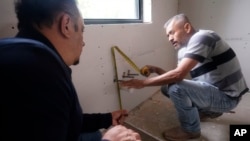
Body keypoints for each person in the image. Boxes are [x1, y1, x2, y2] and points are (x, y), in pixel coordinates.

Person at [0, 0, 141, 141]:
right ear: (66, 24)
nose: (83, 41)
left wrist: (106, 118)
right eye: (81, 29)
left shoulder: (14, 50)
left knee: (94, 134)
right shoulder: (41, 71)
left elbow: (66, 121)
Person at [120, 13, 249, 140]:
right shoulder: (184, 51)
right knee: (167, 87)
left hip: (228, 97)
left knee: (176, 88)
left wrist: (142, 83)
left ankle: (190, 130)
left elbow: (177, 76)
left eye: (172, 32)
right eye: (167, 35)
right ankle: (210, 111)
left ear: (187, 27)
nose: (169, 38)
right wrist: (156, 69)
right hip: (213, 91)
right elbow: (174, 77)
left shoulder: (203, 37)